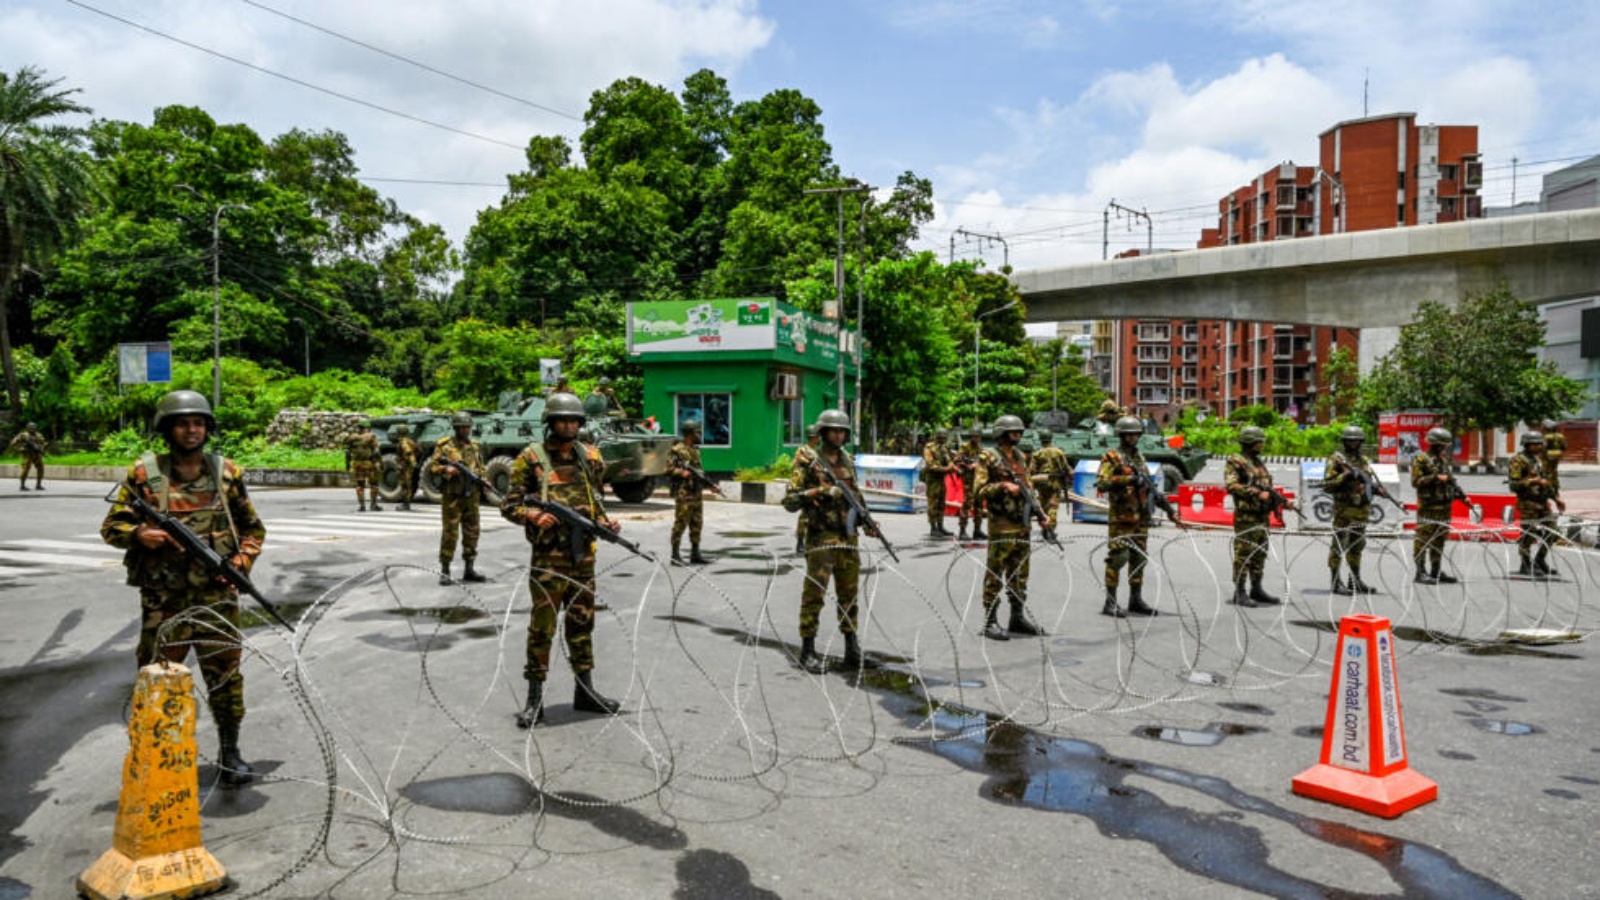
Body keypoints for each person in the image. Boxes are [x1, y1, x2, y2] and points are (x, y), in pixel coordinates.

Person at [100, 390, 266, 786]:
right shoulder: (145, 475)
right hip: (165, 602)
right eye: (182, 423)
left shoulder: (226, 473)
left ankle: (230, 753)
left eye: (198, 423)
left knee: (225, 678)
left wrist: (241, 563)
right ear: (167, 429)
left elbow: (253, 531)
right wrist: (141, 534)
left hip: (216, 598)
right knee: (160, 679)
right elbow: (111, 528)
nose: (192, 430)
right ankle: (161, 757)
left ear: (208, 428)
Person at [501, 392, 624, 727]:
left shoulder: (591, 458)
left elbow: (596, 501)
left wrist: (606, 522)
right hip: (548, 560)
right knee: (543, 628)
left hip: (582, 557)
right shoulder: (532, 457)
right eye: (563, 420)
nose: (569, 425)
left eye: (574, 420)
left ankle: (585, 692)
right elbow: (508, 505)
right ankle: (534, 699)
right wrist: (532, 516)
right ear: (551, 422)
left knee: (582, 625)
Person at [784, 409, 873, 673]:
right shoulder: (808, 459)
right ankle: (807, 650)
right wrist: (823, 491)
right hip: (822, 538)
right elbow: (790, 500)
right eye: (834, 430)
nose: (839, 435)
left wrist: (866, 520)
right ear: (822, 432)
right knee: (814, 596)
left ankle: (852, 650)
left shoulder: (846, 458)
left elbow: (854, 494)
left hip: (847, 538)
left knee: (849, 596)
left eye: (843, 430)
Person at [1095, 415, 1178, 617]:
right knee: (1118, 558)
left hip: (1141, 518)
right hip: (1121, 517)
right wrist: (1129, 479)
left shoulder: (1139, 457)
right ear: (1121, 435)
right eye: (1129, 434)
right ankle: (1110, 602)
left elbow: (1148, 488)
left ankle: (1136, 600)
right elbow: (1102, 483)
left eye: (1136, 434)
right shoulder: (1112, 457)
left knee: (1139, 559)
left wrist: (1169, 510)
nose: (1133, 438)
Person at [974, 414, 1046, 640]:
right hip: (1001, 525)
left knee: (1019, 575)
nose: (1018, 434)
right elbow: (978, 492)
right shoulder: (988, 457)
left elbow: (1030, 490)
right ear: (1002, 433)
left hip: (1022, 524)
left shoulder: (1020, 456)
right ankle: (990, 621)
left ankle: (1017, 617)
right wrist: (1003, 486)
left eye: (1019, 431)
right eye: (1013, 431)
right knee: (995, 574)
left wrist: (1042, 514)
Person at [1223, 425, 1293, 607]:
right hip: (1246, 516)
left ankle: (1256, 588)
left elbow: (1267, 489)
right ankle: (1240, 591)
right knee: (1243, 554)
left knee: (1259, 554)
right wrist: (1254, 493)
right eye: (1259, 441)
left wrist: (1283, 502)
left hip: (1262, 516)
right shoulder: (1236, 461)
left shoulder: (1258, 463)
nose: (1262, 444)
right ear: (1250, 442)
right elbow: (1232, 485)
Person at [1323, 425, 1388, 595]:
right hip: (1344, 511)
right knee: (1338, 546)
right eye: (1350, 440)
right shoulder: (1336, 460)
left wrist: (1376, 489)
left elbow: (1365, 482)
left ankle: (1355, 580)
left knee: (1357, 546)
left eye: (1357, 440)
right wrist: (1345, 476)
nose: (1353, 443)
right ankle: (1336, 581)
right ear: (1344, 441)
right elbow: (1327, 486)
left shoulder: (1363, 460)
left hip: (1361, 510)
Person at [431, 411, 488, 585]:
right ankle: (445, 570)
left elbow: (481, 467)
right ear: (455, 428)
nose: (465, 430)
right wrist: (445, 470)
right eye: (462, 427)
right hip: (453, 497)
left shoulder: (475, 446)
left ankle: (469, 568)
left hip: (471, 497)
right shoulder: (445, 446)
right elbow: (433, 468)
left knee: (472, 532)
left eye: (467, 427)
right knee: (450, 533)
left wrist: (484, 479)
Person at [1508, 431, 1563, 578]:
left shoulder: (1536, 460)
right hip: (1528, 503)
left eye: (1540, 443)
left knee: (1553, 531)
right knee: (1529, 534)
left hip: (1542, 503)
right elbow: (1513, 485)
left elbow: (1545, 482)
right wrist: (1533, 481)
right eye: (1535, 443)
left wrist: (1556, 499)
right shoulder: (1518, 461)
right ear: (1527, 444)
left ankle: (1539, 560)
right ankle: (1525, 564)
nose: (1539, 446)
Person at [1410, 426, 1461, 585]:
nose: (1444, 447)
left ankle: (1436, 571)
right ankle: (1420, 572)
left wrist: (1463, 497)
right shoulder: (1421, 459)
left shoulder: (1442, 461)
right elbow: (1416, 482)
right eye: (1441, 444)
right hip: (1428, 507)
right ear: (1433, 444)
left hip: (1444, 507)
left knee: (1439, 540)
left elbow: (1451, 481)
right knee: (1423, 539)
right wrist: (1435, 477)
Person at [668, 420, 710, 565]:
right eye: (697, 432)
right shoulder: (677, 450)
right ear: (690, 433)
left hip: (696, 491)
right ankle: (675, 555)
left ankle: (695, 553)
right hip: (684, 492)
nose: (700, 434)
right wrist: (681, 472)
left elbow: (700, 472)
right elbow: (667, 469)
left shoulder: (696, 450)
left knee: (697, 522)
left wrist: (710, 485)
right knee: (680, 522)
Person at [1029, 430, 1070, 532]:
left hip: (1041, 482)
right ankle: (1050, 528)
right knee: (1053, 506)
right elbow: (1066, 467)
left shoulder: (1037, 453)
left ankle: (1044, 525)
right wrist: (1069, 478)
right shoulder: (1058, 452)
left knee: (1043, 505)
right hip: (1054, 482)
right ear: (1051, 438)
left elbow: (1032, 470)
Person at [791, 423, 821, 554]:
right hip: (807, 488)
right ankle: (800, 542)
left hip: (818, 487)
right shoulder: (803, 451)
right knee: (805, 516)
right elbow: (798, 468)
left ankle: (814, 541)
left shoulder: (817, 452)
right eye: (817, 436)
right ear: (812, 437)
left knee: (818, 514)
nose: (819, 438)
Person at [956, 427, 987, 541]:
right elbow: (958, 460)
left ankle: (977, 530)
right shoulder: (965, 447)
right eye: (974, 436)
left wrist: (978, 465)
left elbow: (983, 460)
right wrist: (968, 465)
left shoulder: (980, 447)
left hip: (978, 480)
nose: (976, 438)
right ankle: (962, 530)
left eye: (978, 436)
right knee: (967, 504)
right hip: (968, 480)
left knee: (979, 505)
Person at [921, 429, 954, 537]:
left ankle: (940, 526)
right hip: (932, 479)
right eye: (941, 438)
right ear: (937, 437)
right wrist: (947, 469)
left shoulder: (944, 448)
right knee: (933, 503)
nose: (943, 440)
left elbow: (949, 461)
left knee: (941, 503)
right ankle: (933, 527)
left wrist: (951, 466)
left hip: (941, 479)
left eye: (944, 438)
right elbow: (931, 465)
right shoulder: (929, 448)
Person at [344, 421, 382, 512]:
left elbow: (348, 453)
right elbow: (376, 452)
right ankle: (373, 505)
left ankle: (362, 506)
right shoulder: (371, 437)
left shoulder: (351, 438)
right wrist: (380, 463)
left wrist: (348, 465)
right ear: (367, 428)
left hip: (357, 465)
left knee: (360, 485)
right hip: (369, 464)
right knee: (374, 484)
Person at [7, 421, 46, 491]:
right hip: (27, 454)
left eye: (34, 428)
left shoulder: (38, 435)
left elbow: (43, 443)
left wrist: (40, 449)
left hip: (37, 454)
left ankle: (38, 484)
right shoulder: (23, 435)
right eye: (31, 428)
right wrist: (20, 448)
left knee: (41, 468)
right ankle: (22, 485)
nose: (33, 429)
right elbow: (13, 443)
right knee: (25, 469)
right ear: (28, 428)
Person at [391, 424, 421, 511]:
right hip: (407, 465)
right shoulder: (410, 441)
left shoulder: (403, 442)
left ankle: (406, 504)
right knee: (407, 484)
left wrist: (412, 462)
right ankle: (406, 503)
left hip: (405, 466)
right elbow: (418, 450)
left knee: (405, 485)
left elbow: (408, 452)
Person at [1541, 420, 1567, 495]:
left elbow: (1543, 447)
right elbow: (1564, 447)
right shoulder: (1560, 436)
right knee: (1554, 472)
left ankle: (1547, 489)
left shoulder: (1546, 437)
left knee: (1546, 473)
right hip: (1557, 456)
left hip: (1547, 457)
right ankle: (1555, 489)